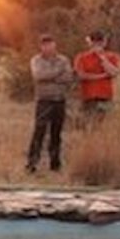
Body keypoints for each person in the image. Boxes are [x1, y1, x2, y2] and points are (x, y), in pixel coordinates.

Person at [25, 34, 73, 173]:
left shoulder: (63, 59)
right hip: (44, 100)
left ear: (55, 44)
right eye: (45, 45)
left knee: (56, 133)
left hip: (59, 100)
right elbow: (38, 76)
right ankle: (32, 164)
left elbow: (68, 77)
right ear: (41, 46)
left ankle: (55, 165)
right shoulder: (36, 60)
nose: (48, 47)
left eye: (51, 44)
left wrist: (50, 77)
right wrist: (57, 73)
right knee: (39, 132)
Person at [73, 30, 120, 121]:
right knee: (87, 123)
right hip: (88, 97)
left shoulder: (111, 56)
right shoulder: (82, 57)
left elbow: (114, 73)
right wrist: (102, 76)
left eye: (100, 41)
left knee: (105, 123)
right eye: (95, 42)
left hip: (105, 96)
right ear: (90, 43)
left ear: (104, 42)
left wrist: (103, 58)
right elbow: (81, 76)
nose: (98, 44)